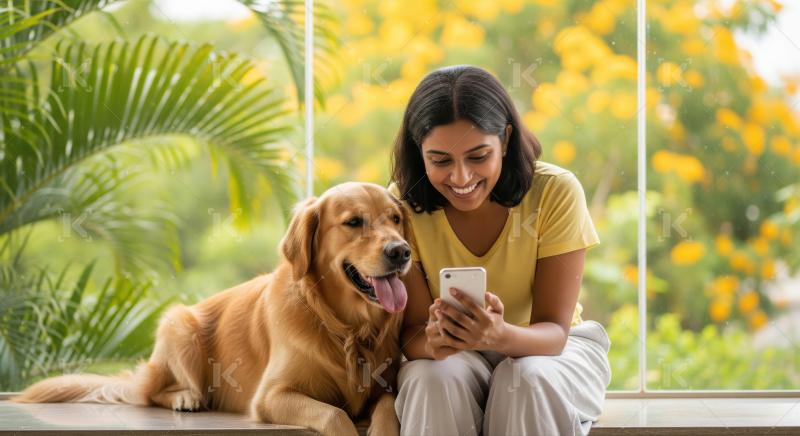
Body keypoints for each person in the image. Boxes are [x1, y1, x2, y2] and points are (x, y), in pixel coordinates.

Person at [387, 65, 611, 436]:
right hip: (459, 358)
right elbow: (412, 333)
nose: (461, 178)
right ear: (419, 152)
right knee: (432, 380)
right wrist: (436, 341)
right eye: (440, 160)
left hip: (552, 351)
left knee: (525, 377)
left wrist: (499, 335)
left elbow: (555, 332)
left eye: (478, 156)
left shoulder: (554, 191)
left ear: (505, 140)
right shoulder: (401, 205)